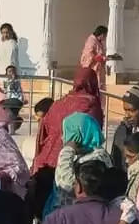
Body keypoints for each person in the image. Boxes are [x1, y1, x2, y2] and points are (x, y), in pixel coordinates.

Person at [31, 67, 103, 215]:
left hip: (46, 162)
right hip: (75, 165)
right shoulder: (91, 104)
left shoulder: (58, 103)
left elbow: (43, 133)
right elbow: (92, 134)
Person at [50, 112, 106, 212]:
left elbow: (66, 184)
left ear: (77, 134)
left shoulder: (96, 158)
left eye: (67, 132)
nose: (63, 138)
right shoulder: (84, 155)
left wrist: (67, 151)